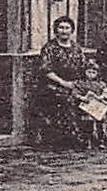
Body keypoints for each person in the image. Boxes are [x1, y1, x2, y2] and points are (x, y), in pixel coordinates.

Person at [36, 16, 88, 144]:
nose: (64, 31)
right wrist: (63, 82)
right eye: (61, 28)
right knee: (68, 98)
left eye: (67, 28)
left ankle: (93, 135)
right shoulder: (49, 48)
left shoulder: (77, 48)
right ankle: (71, 136)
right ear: (56, 30)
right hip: (54, 84)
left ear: (72, 30)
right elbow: (46, 70)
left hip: (74, 83)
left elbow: (84, 68)